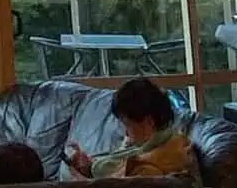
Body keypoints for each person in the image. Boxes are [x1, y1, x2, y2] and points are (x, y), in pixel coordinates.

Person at [64, 78, 199, 182]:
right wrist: (87, 167)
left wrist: (81, 183)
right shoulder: (145, 147)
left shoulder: (150, 166)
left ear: (148, 122)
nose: (125, 132)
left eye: (127, 124)